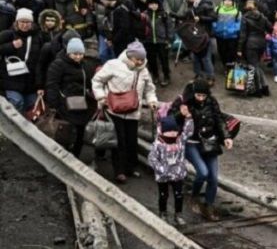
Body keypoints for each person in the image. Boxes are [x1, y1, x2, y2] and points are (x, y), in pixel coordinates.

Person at [92, 41, 157, 183]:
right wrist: (101, 97)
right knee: (119, 141)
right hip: (115, 110)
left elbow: (149, 89)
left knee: (131, 141)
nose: (140, 62)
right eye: (137, 59)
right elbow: (97, 81)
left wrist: (152, 101)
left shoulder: (144, 70)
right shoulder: (113, 65)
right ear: (130, 56)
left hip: (133, 112)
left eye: (142, 59)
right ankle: (119, 171)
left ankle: (130, 167)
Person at [170, 77, 231, 222]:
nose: (201, 98)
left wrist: (226, 137)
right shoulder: (183, 102)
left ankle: (208, 206)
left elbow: (219, 119)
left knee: (213, 178)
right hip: (191, 142)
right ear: (193, 93)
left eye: (204, 95)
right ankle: (194, 195)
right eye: (199, 95)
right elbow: (170, 121)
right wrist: (181, 114)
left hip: (209, 141)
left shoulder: (211, 101)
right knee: (202, 172)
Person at [43, 36, 92, 157]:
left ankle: (76, 155)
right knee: (64, 131)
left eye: (80, 54)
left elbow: (90, 82)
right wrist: (54, 103)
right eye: (75, 54)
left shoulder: (85, 66)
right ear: (69, 53)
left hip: (81, 103)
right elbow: (52, 84)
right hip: (64, 104)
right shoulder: (58, 65)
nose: (78, 57)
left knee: (80, 131)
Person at [148, 114, 191, 226]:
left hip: (177, 173)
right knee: (163, 195)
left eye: (174, 130)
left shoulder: (180, 141)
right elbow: (152, 159)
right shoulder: (158, 144)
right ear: (163, 131)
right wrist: (161, 169)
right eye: (169, 130)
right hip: (163, 175)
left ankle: (178, 214)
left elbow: (189, 131)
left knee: (179, 194)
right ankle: (163, 213)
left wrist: (189, 119)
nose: (172, 133)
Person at [1, 8, 46, 111]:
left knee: (32, 106)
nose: (25, 25)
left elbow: (39, 62)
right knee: (17, 102)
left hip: (30, 81)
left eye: (27, 22)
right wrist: (11, 46)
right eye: (22, 22)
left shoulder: (37, 37)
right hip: (11, 80)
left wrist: (40, 85)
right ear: (17, 22)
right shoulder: (8, 34)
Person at [143, 0, 172, 86]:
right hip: (149, 41)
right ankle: (155, 76)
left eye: (156, 4)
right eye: (151, 4)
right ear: (148, 5)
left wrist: (169, 39)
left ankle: (166, 76)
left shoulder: (164, 14)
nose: (154, 6)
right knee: (152, 60)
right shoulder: (145, 14)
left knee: (164, 59)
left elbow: (169, 27)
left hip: (162, 41)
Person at [237, 0, 270, 69]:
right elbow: (270, 28)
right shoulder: (263, 17)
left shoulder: (245, 18)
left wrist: (239, 49)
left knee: (253, 66)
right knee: (256, 63)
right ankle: (256, 79)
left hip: (250, 44)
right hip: (262, 42)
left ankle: (256, 79)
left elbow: (243, 35)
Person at [213, 0, 241, 67]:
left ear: (232, 1)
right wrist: (216, 28)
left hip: (232, 36)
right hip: (220, 34)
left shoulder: (236, 11)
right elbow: (213, 20)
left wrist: (234, 30)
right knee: (221, 51)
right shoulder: (217, 9)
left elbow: (239, 22)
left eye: (229, 0)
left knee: (231, 52)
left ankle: (229, 67)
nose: (227, 2)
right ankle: (225, 65)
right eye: (226, 0)